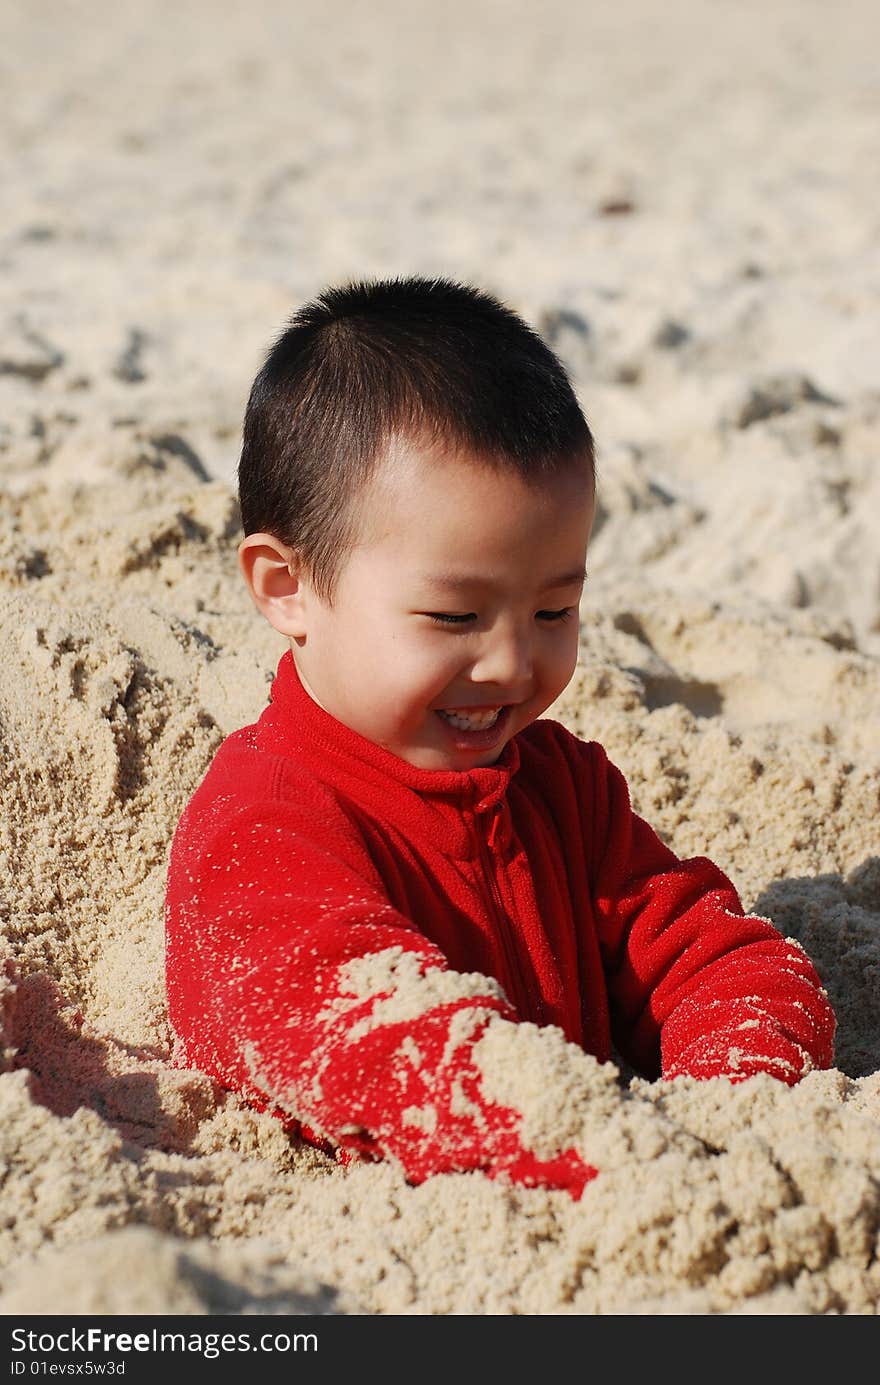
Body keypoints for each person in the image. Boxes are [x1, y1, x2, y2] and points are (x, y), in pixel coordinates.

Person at [164, 276, 835, 1199]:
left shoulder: (561, 786)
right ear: (287, 587)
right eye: (454, 615)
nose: (514, 664)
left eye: (556, 606)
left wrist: (735, 1105)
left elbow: (724, 960)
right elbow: (390, 1055)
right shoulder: (263, 829)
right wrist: (629, 1158)